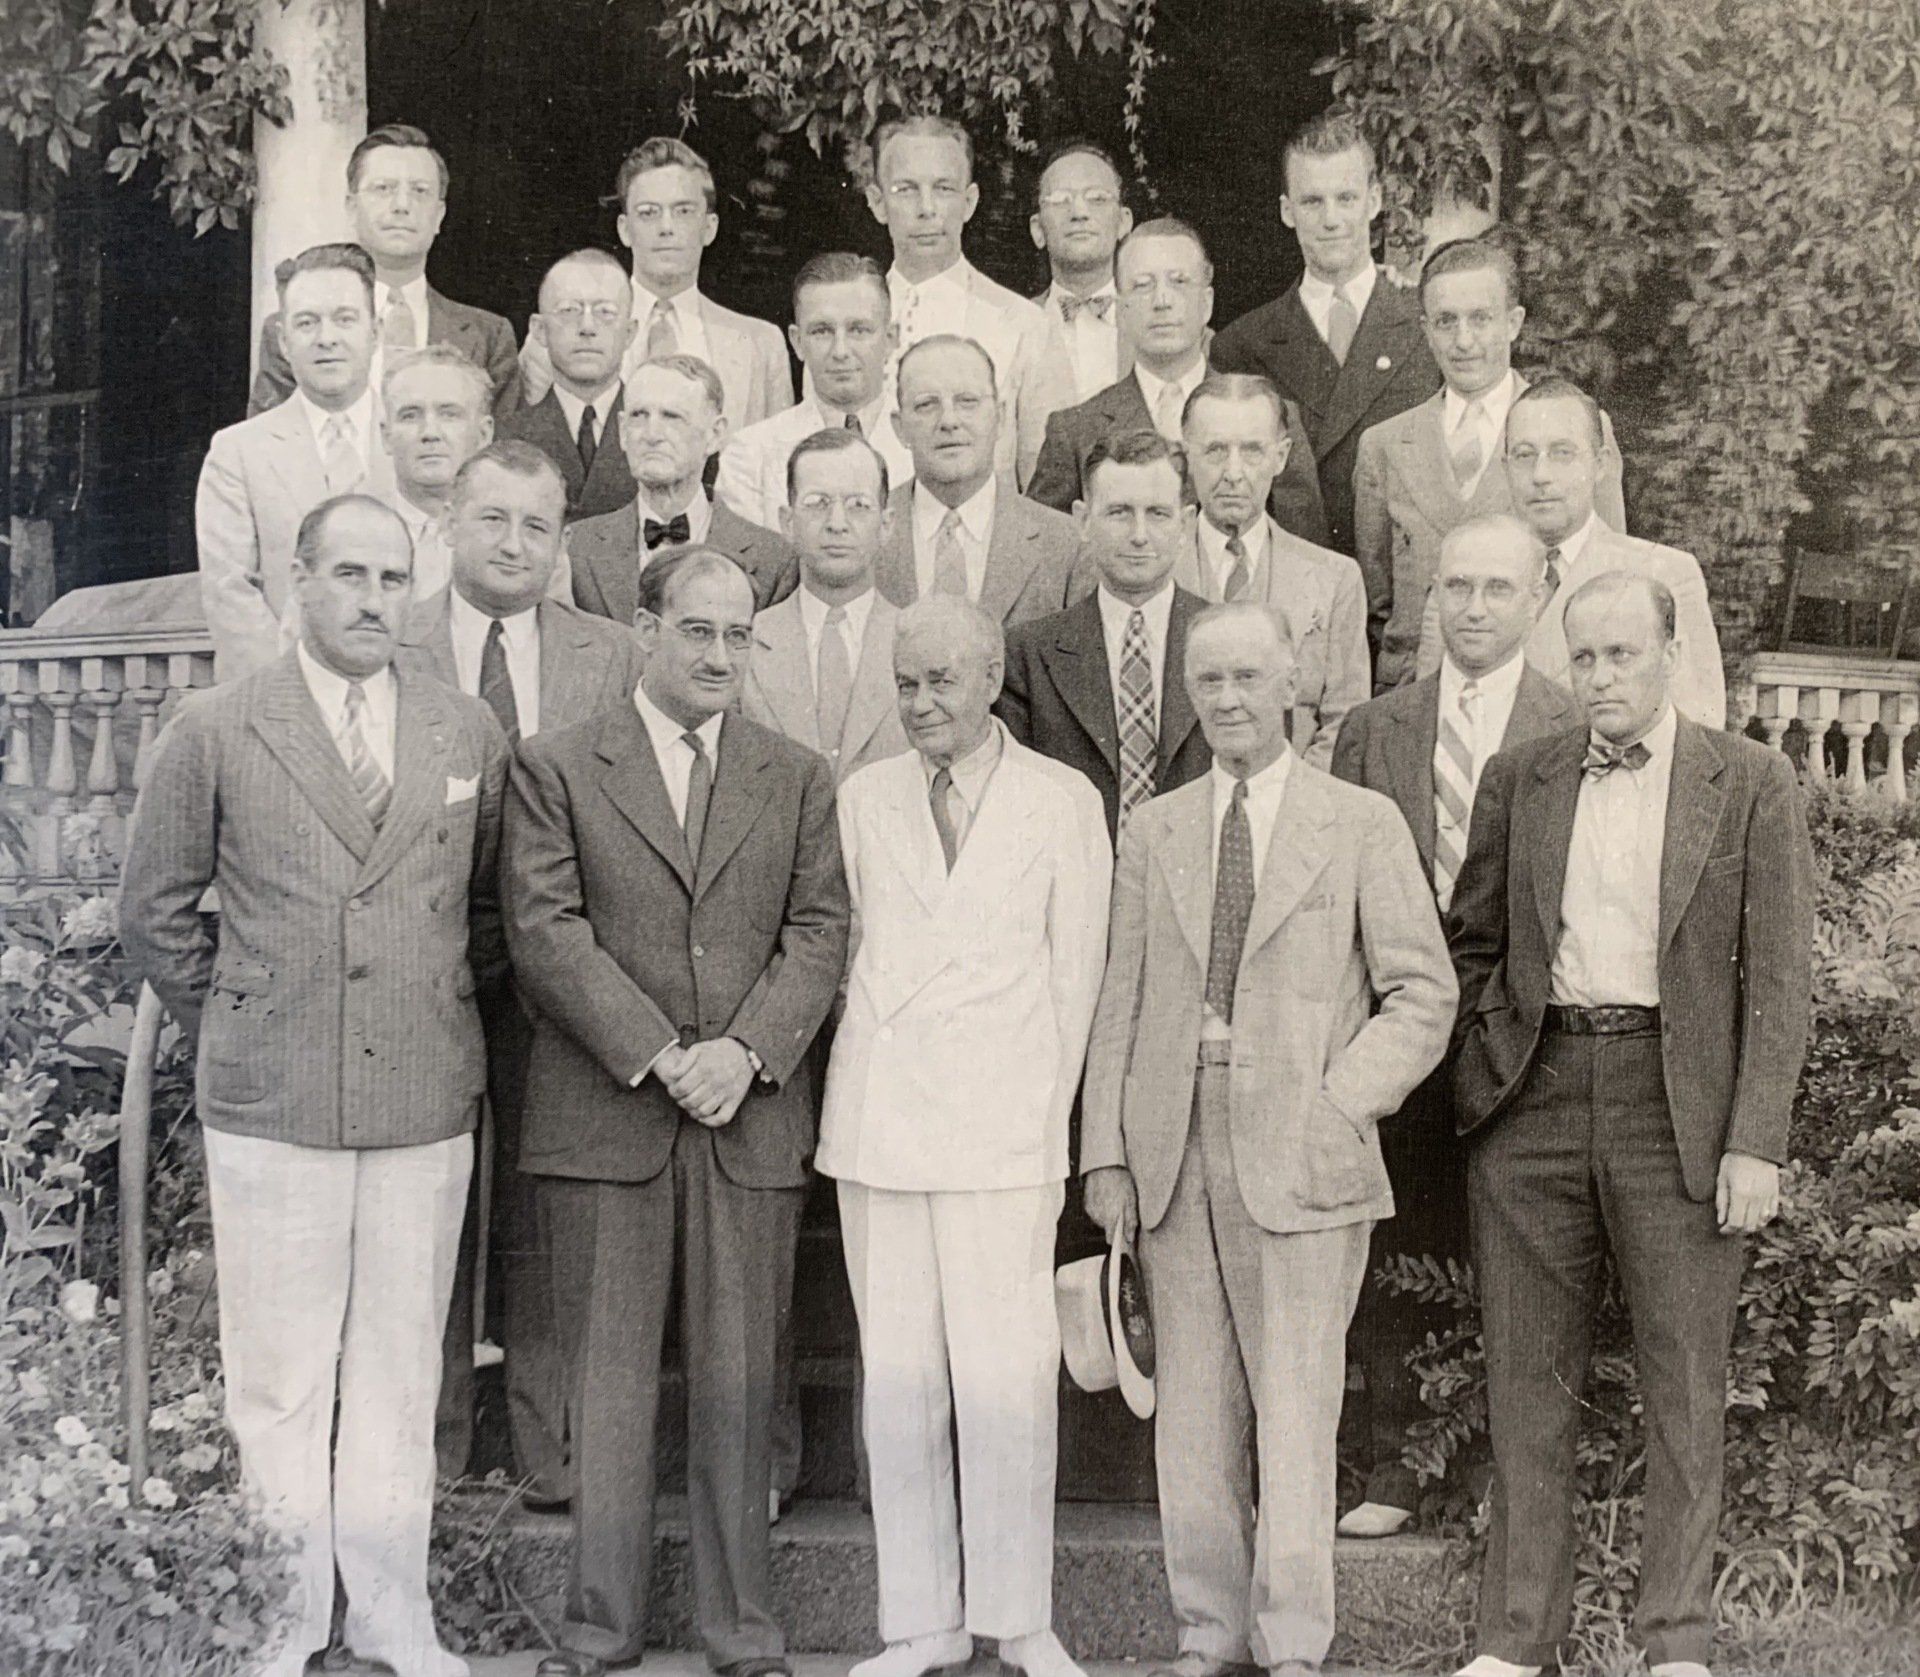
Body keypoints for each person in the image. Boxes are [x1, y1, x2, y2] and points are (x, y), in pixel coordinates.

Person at [121, 492, 509, 1677]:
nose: (373, 600)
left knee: (397, 1376)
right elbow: (154, 911)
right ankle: (280, 1629)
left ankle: (396, 1626)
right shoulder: (220, 724)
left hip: (419, 1108)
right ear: (298, 580)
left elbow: (488, 916)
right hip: (274, 1108)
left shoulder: (462, 731)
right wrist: (245, 1017)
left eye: (394, 581)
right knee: (281, 1382)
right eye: (349, 575)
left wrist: (419, 1008)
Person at [1446, 570, 1813, 1677]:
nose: (1601, 677)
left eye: (1623, 655)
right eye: (1585, 657)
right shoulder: (1523, 777)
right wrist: (1489, 1069)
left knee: (1685, 1383)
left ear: (1668, 654)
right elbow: (1473, 940)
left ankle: (1677, 1645)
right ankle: (1517, 1642)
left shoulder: (1748, 780)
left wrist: (1755, 1136)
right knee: (1524, 1381)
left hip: (1677, 1106)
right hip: (1538, 1098)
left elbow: (1782, 977)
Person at [1080, 600, 1455, 1677]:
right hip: (1172, 1147)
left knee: (1297, 1408)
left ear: (1291, 680)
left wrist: (1343, 1100)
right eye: (1210, 682)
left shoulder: (1360, 822)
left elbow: (1422, 993)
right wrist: (1106, 1148)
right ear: (1190, 696)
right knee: (1189, 1415)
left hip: (1305, 1149)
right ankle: (1209, 1633)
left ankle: (1293, 1642)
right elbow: (1122, 996)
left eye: (1250, 677)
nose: (1231, 699)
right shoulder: (1154, 826)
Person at [503, 547, 849, 1677]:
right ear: (645, 629)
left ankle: (741, 1632)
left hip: (745, 1122)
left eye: (737, 636)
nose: (717, 656)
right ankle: (597, 1629)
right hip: (608, 1119)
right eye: (696, 631)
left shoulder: (795, 775)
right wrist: (660, 1053)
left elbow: (818, 932)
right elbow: (545, 933)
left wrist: (745, 1053)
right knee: (604, 1389)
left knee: (740, 1384)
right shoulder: (556, 766)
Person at [821, 594, 1112, 1677]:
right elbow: (846, 950)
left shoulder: (1060, 800)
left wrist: (1047, 1122)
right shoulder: (862, 798)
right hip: (882, 1122)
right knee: (898, 1381)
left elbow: (1077, 977)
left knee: (1006, 1377)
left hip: (1003, 1126)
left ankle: (1017, 1616)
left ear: (991, 678)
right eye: (904, 683)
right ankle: (922, 1625)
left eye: (941, 681)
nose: (921, 702)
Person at [395, 440, 646, 1502]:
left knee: (555, 1211)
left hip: (562, 973)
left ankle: (555, 1457)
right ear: (451, 521)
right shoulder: (393, 646)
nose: (512, 543)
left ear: (561, 546)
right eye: (492, 518)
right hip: (425, 974)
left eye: (535, 526)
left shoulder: (613, 655)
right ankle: (432, 1451)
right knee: (428, 1212)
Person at [1328, 513, 1576, 1540]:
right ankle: (1395, 1461)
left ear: (1538, 595)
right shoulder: (1375, 728)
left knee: (1517, 1255)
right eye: (1457, 586)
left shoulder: (1570, 726)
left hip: (1527, 1039)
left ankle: (1492, 1476)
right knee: (1400, 1244)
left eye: (1497, 588)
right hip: (1401, 1031)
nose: (1474, 607)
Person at [1352, 236, 1624, 688]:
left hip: (1537, 699)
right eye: (1445, 321)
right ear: (1425, 329)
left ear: (1514, 322)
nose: (1463, 341)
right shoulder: (1384, 445)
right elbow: (1379, 602)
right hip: (1417, 696)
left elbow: (1607, 573)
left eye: (1480, 319)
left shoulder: (1578, 431)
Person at [1414, 376, 1727, 725]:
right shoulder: (1463, 578)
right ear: (1506, 467)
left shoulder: (1661, 572)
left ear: (1600, 464)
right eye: (1524, 455)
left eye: (1562, 453)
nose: (1541, 475)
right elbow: (1426, 720)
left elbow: (1698, 729)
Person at [1210, 111, 1441, 555]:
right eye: (1313, 202)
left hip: (1407, 581)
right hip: (1298, 584)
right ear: (1287, 211)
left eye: (1346, 198)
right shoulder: (1244, 345)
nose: (1331, 219)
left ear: (1373, 201)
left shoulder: (1424, 324)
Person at [1028, 220, 1326, 545]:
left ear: (1207, 303)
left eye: (1180, 282)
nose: (1162, 301)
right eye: (1143, 285)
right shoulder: (1074, 431)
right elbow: (1044, 560)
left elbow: (1305, 560)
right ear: (1121, 309)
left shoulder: (1272, 418)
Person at [998, 428, 1210, 843]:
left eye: (1158, 513)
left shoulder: (1227, 644)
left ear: (1186, 524)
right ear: (1082, 521)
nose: (1139, 534)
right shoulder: (1028, 656)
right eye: (1118, 512)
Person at [198, 243, 397, 682]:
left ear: (375, 332)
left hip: (401, 695)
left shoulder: (411, 440)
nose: (326, 337)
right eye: (307, 323)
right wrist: (299, 696)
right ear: (284, 342)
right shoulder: (237, 453)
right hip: (281, 698)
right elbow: (229, 594)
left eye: (345, 319)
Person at [514, 138, 794, 435]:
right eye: (649, 212)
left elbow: (775, 463)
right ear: (624, 228)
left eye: (683, 211)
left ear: (710, 227)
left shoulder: (760, 344)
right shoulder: (558, 334)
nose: (666, 227)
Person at [249, 124, 517, 416]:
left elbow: (502, 455)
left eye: (420, 191)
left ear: (439, 214)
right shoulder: (298, 331)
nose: (402, 205)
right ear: (351, 207)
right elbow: (268, 445)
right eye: (383, 189)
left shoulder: (489, 336)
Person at [866, 113, 1076, 487]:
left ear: (970, 201)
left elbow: (1047, 486)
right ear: (878, 202)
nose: (926, 208)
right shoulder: (848, 321)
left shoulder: (1025, 323)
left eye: (944, 188)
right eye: (906, 189)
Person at [1175, 373, 1369, 768]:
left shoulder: (1333, 579)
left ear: (1280, 457)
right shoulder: (1157, 570)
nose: (1233, 472)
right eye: (1215, 451)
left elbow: (1344, 721)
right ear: (1186, 456)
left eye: (1251, 451)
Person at [568, 354, 798, 625]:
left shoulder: (774, 559)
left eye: (672, 417)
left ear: (715, 435)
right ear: (622, 431)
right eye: (639, 416)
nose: (651, 434)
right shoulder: (576, 548)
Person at [744, 427, 912, 782]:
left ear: (887, 525)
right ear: (787, 522)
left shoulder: (917, 641)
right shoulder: (746, 642)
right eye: (818, 504)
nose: (837, 524)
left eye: (858, 506)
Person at [876, 335, 1080, 626]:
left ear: (1000, 416)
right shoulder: (865, 534)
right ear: (899, 427)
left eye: (967, 401)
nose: (949, 421)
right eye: (926, 405)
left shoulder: (1066, 544)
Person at [714, 252, 913, 530]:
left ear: (891, 339)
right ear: (797, 342)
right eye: (822, 331)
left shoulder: (924, 445)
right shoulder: (749, 456)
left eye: (859, 330)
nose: (841, 351)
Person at [492, 249, 640, 522]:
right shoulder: (503, 441)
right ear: (539, 330)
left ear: (630, 332)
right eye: (569, 310)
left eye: (605, 312)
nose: (587, 327)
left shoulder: (661, 432)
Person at [380, 343, 497, 608]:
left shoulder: (518, 536)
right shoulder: (348, 531)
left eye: (449, 415)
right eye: (410, 416)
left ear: (484, 434)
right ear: (385, 436)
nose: (430, 432)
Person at [1027, 140, 1133, 403]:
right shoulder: (1012, 328)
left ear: (1123, 222)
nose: (1079, 212)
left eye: (1097, 198)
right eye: (1061, 200)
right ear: (1038, 230)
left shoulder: (1157, 323)